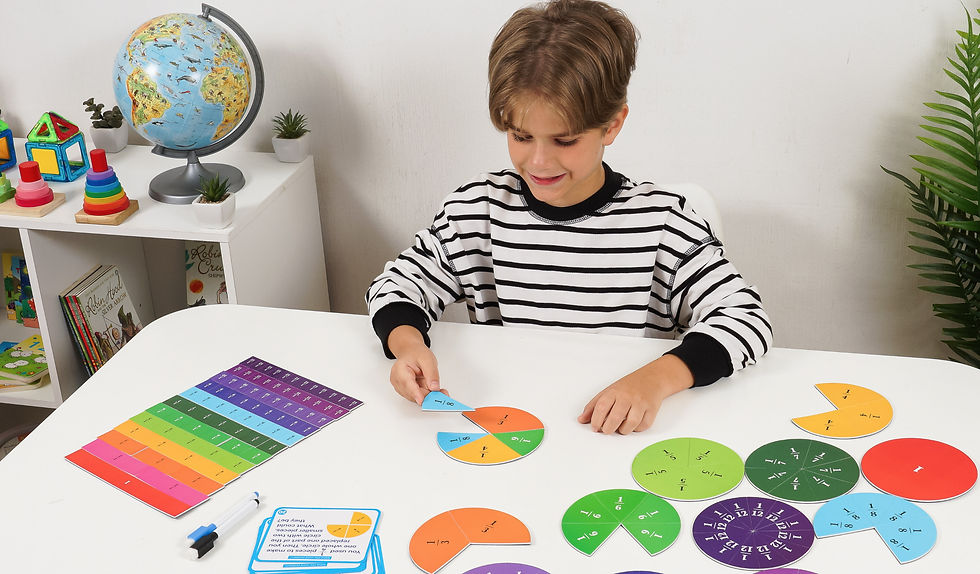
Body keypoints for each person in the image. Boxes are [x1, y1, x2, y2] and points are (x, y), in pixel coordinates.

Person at [365, 0, 772, 434]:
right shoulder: (476, 211)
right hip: (514, 426)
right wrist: (407, 345)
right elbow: (397, 285)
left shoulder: (665, 222)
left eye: (564, 140)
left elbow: (745, 318)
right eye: (521, 136)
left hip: (614, 437)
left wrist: (655, 380)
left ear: (612, 125)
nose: (539, 161)